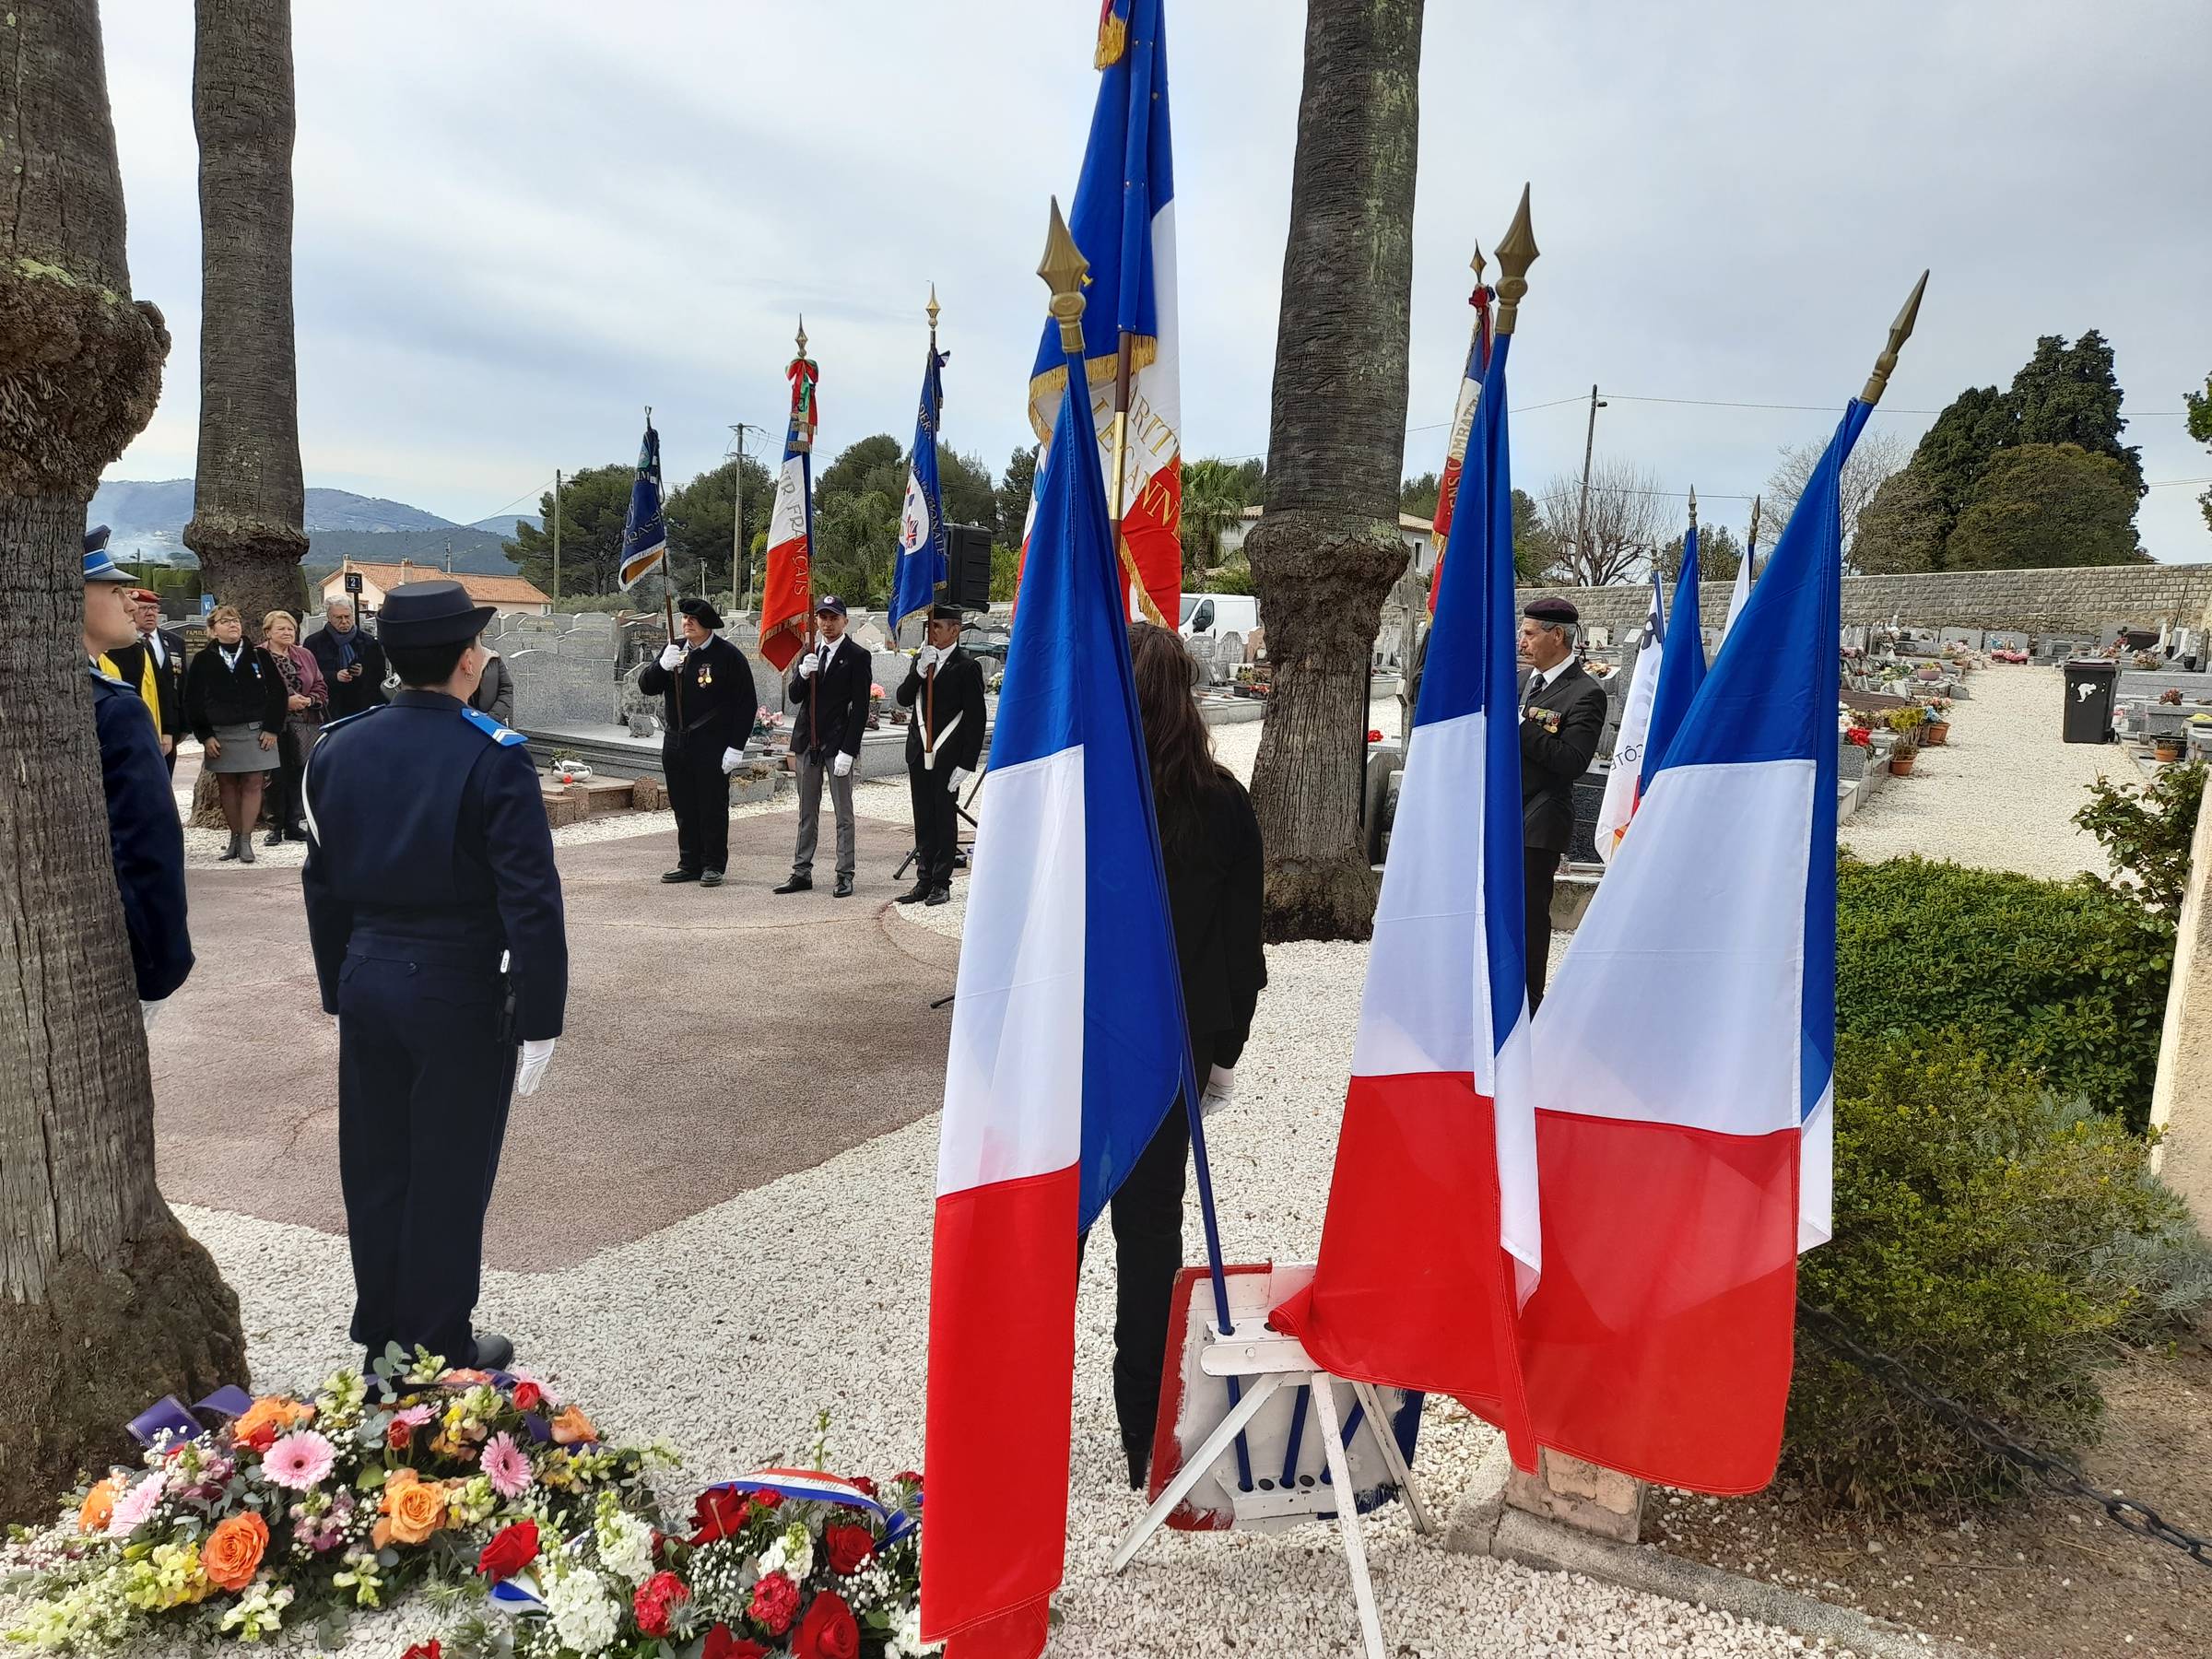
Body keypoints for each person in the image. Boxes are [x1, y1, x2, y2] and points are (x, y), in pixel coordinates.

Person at [301, 579, 568, 1373]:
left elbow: (321, 883)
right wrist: (542, 1015)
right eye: (479, 643)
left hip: (368, 975)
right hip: (456, 984)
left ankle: (382, 1333)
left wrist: (337, 983)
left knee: (376, 1165)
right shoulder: (494, 755)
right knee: (448, 1170)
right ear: (464, 661)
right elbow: (531, 901)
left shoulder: (338, 746)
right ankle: (438, 1341)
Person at [1108, 621, 1267, 1490]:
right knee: (1148, 1246)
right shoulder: (1223, 801)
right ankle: (1143, 1435)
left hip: (1086, 1057)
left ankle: (1023, 1427)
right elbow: (1243, 952)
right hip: (1170, 1055)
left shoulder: (1087, 798)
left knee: (1060, 1243)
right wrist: (1223, 1053)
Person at [83, 537, 193, 1022]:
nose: (132, 602)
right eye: (113, 590)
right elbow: (148, 844)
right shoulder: (114, 705)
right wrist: (163, 961)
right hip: (107, 943)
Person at [1516, 595, 1608, 1009]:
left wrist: (1520, 725)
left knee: (1529, 917)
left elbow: (1572, 762)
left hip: (1540, 820)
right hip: (1502, 814)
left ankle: (1528, 1005)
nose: (1522, 641)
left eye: (1530, 633)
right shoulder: (1521, 683)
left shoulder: (1586, 693)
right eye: (1522, 631)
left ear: (1558, 636)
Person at [638, 597, 759, 888]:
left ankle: (713, 864)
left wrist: (736, 746)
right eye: (684, 618)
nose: (687, 623)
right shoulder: (675, 650)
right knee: (683, 805)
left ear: (707, 624)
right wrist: (661, 667)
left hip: (712, 743)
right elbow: (647, 686)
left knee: (711, 806)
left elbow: (746, 704)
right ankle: (689, 862)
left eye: (693, 619)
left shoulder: (727, 656)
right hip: (676, 742)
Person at [774, 595, 871, 899]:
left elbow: (860, 707)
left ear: (845, 621)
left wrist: (849, 749)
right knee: (807, 811)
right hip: (808, 742)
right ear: (816, 620)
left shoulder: (857, 656)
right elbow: (793, 696)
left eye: (833, 618)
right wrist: (803, 672)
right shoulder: (809, 650)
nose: (827, 624)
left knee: (843, 812)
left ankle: (845, 872)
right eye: (822, 618)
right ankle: (801, 870)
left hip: (837, 743)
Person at [894, 602, 987, 907]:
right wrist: (919, 671)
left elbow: (975, 718)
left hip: (948, 755)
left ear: (955, 630)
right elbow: (903, 698)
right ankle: (923, 878)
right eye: (929, 626)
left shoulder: (966, 666)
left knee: (943, 816)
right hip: (919, 750)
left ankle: (941, 881)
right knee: (922, 816)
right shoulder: (923, 660)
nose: (931, 631)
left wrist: (967, 763)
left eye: (937, 626)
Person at [183, 605, 288, 865]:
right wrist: (205, 735)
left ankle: (246, 841)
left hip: (257, 731)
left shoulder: (259, 656)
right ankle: (233, 837)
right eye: (225, 621)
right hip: (220, 732)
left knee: (254, 783)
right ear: (212, 630)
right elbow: (191, 699)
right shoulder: (203, 660)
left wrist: (272, 728)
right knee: (227, 785)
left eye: (236, 620)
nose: (233, 625)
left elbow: (278, 694)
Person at [101, 582, 190, 774]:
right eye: (143, 608)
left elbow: (175, 687)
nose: (150, 613)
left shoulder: (174, 642)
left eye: (154, 608)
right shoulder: (119, 645)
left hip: (164, 726)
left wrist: (174, 729)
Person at [261, 609, 328, 846]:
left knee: (299, 773)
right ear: (268, 632)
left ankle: (293, 823)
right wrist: (284, 703)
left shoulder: (305, 655)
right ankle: (274, 826)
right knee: (274, 776)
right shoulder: (258, 656)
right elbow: (255, 692)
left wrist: (310, 700)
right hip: (272, 725)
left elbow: (319, 683)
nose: (287, 632)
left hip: (305, 722)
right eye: (281, 628)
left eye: (290, 628)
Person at [305, 596, 390, 721]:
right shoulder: (314, 643)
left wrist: (363, 672)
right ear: (329, 617)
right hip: (330, 707)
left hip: (362, 706)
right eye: (338, 618)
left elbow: (379, 676)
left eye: (347, 616)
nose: (344, 621)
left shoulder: (369, 642)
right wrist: (335, 676)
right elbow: (308, 676)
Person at [469, 643, 514, 728]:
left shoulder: (493, 658)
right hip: (466, 721)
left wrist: (493, 717)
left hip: (494, 722)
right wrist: (473, 716)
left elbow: (506, 689)